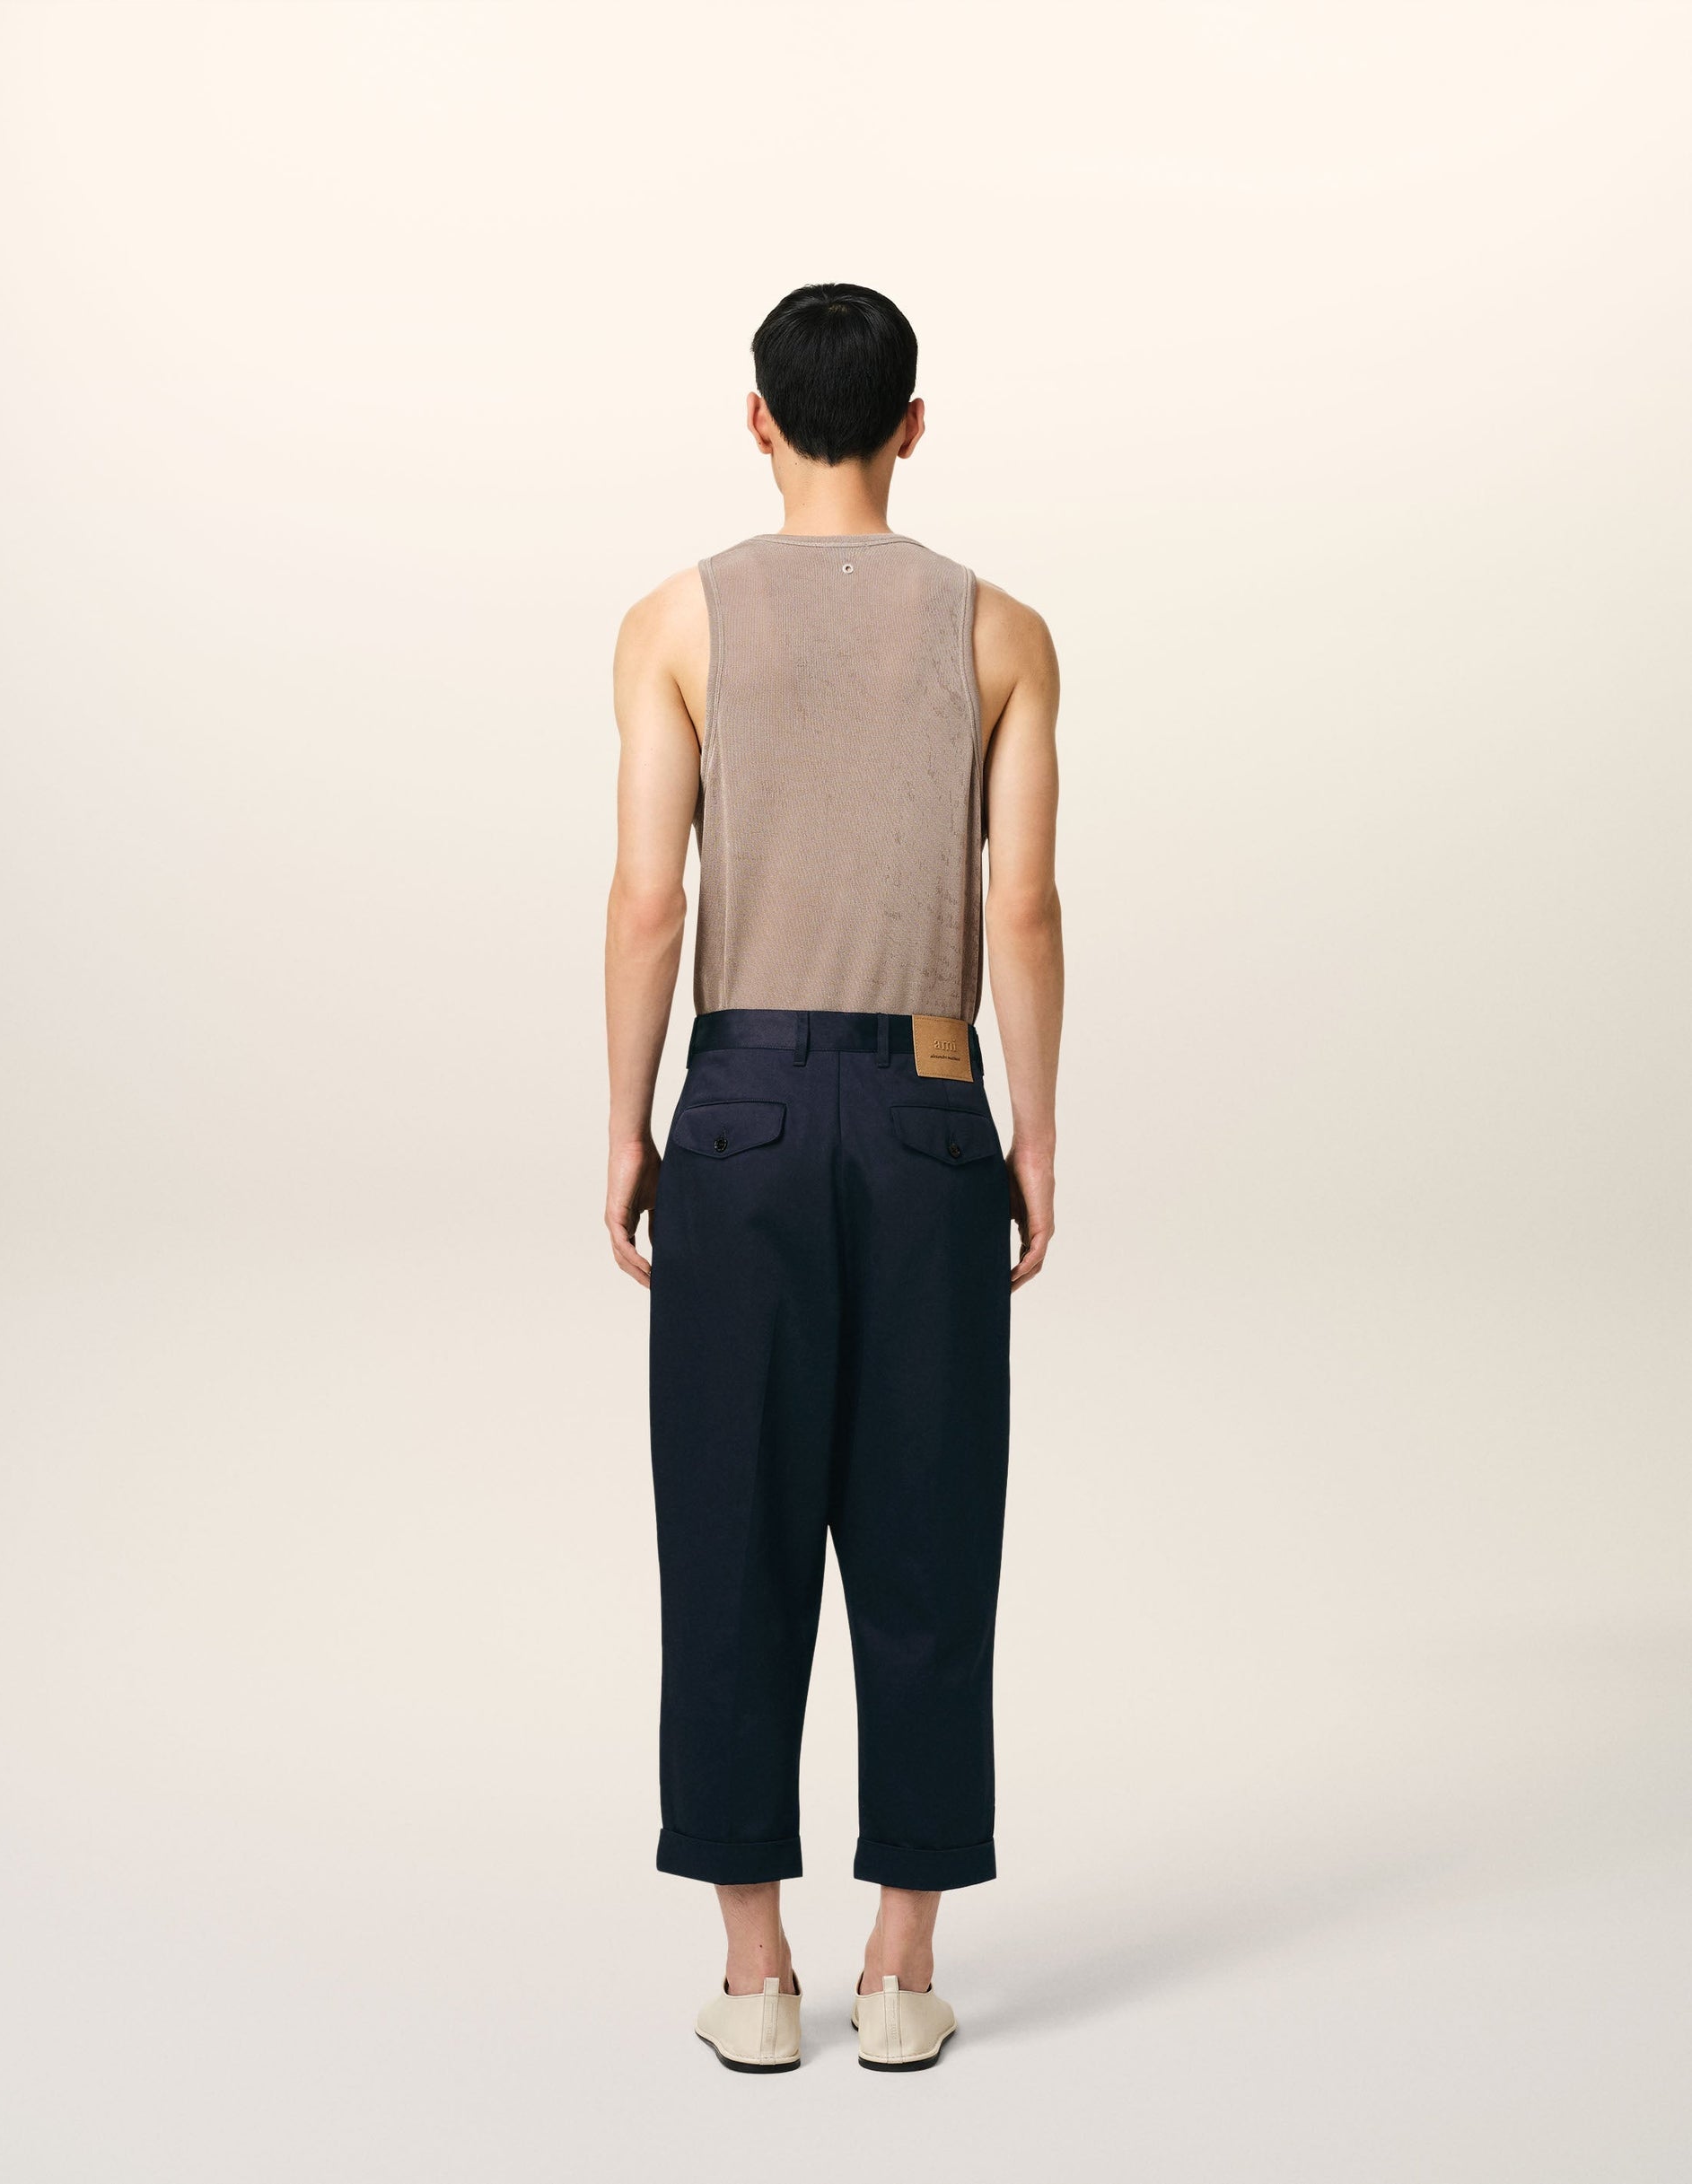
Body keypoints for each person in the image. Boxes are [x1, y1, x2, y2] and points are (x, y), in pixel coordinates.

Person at [604, 283, 1062, 2073]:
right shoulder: (1001, 629)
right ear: (912, 423)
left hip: (738, 1112)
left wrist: (628, 1121)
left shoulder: (675, 620)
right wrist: (1032, 1128)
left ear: (756, 418)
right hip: (932, 1105)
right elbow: (1019, 904)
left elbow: (652, 897)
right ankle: (901, 1963)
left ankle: (752, 1973)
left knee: (729, 1532)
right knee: (928, 1534)